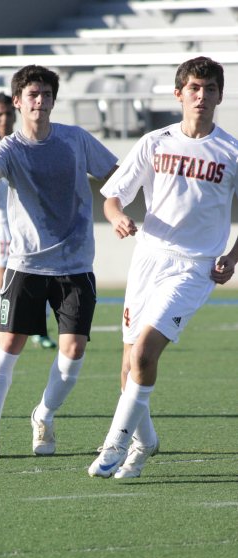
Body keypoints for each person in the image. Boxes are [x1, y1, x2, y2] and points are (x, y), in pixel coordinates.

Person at [88, 56, 238, 479]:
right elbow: (113, 194)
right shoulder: (155, 142)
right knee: (127, 365)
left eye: (210, 89)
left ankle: (114, 445)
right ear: (178, 94)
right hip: (149, 259)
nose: (201, 96)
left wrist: (232, 255)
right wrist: (117, 216)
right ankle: (145, 443)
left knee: (145, 352)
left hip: (195, 267)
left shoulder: (231, 151)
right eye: (194, 88)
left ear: (220, 96)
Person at [0, 64, 118, 459]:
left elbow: (115, 176)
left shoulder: (75, 139)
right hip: (25, 265)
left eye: (47, 94)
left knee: (72, 353)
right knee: (9, 344)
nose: (40, 101)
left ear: (54, 100)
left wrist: (121, 207)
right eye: (32, 95)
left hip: (75, 265)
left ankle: (44, 414)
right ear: (18, 101)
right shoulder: (9, 147)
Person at [0, 91, 57, 349]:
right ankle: (4, 322)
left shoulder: (24, 141)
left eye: (8, 113)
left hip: (31, 223)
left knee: (40, 275)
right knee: (4, 276)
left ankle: (38, 330)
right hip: (4, 225)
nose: (5, 117)